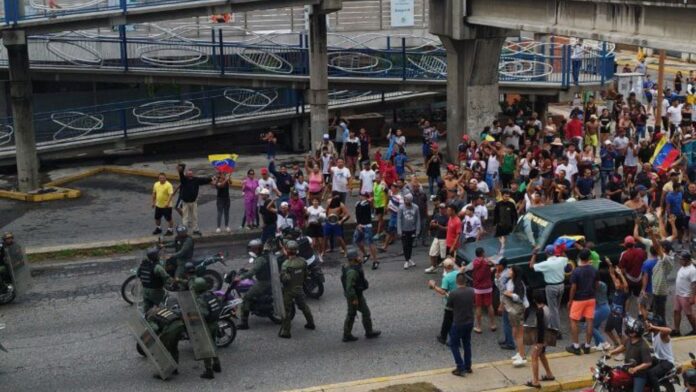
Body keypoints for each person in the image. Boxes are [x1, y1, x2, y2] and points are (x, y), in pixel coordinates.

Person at [341, 248, 381, 342]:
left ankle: (369, 331)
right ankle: (347, 335)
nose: (359, 257)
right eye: (357, 256)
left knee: (366, 312)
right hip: (353, 296)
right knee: (351, 314)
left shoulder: (354, 266)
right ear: (353, 259)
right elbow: (349, 288)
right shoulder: (352, 272)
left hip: (357, 294)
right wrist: (354, 299)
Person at [529, 245, 568, 339]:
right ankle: (552, 326)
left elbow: (531, 266)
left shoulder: (545, 264)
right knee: (556, 308)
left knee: (553, 310)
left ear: (546, 253)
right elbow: (566, 258)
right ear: (555, 252)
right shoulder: (562, 260)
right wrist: (562, 250)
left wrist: (534, 254)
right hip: (561, 286)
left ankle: (557, 331)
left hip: (551, 287)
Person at [278, 241, 315, 339]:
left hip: (288, 290)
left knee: (286, 310)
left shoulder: (286, 264)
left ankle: (286, 332)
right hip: (299, 288)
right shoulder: (302, 261)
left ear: (287, 250)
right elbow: (306, 274)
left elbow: (285, 279)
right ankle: (311, 323)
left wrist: (281, 275)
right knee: (304, 307)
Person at [607, 318, 653, 392]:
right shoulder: (629, 339)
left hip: (639, 374)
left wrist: (636, 368)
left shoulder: (643, 346)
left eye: (629, 329)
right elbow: (623, 347)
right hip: (627, 369)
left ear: (634, 332)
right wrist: (611, 352)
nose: (627, 330)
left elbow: (648, 363)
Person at [566, 249, 598, 355]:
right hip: (591, 298)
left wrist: (570, 300)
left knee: (574, 321)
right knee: (590, 321)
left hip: (579, 299)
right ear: (589, 258)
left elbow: (573, 287)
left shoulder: (576, 271)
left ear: (580, 258)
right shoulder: (593, 269)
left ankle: (576, 346)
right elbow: (596, 284)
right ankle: (587, 346)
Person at [191, 277, 222, 379]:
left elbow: (203, 314)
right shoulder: (211, 295)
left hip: (207, 325)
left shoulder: (201, 299)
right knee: (213, 344)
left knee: (206, 348)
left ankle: (209, 371)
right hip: (215, 323)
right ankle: (217, 364)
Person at [237, 239, 271, 330]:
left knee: (247, 297)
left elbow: (253, 271)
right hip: (265, 280)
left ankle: (244, 323)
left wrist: (240, 278)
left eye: (252, 249)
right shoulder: (262, 256)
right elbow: (255, 269)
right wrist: (245, 270)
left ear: (256, 249)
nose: (250, 250)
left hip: (264, 282)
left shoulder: (260, 259)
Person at [525, 290, 556, 389]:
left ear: (534, 300)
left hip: (541, 338)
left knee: (534, 356)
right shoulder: (546, 308)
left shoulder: (539, 312)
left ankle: (535, 381)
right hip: (547, 336)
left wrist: (538, 343)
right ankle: (549, 374)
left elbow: (540, 328)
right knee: (542, 355)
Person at [447, 272, 475, 377]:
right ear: (465, 281)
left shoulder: (454, 293)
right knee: (467, 344)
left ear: (456, 281)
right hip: (469, 321)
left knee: (453, 344)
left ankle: (460, 366)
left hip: (458, 322)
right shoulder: (472, 291)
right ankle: (468, 366)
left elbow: (449, 306)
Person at [464, 247, 497, 334]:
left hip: (478, 287)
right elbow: (495, 264)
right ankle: (493, 324)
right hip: (488, 286)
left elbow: (466, 269)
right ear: (483, 253)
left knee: (479, 307)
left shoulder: (474, 262)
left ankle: (479, 327)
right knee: (489, 305)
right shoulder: (487, 261)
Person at [428, 258, 459, 345]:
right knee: (456, 320)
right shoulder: (458, 273)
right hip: (459, 300)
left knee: (447, 321)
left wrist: (433, 286)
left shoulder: (446, 278)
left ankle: (444, 337)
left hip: (450, 302)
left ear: (445, 267)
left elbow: (443, 291)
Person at [503, 265, 529, 367]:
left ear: (514, 272)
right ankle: (519, 352)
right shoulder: (510, 281)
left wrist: (509, 294)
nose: (508, 271)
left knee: (519, 334)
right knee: (515, 333)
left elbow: (519, 298)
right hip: (514, 309)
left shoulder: (519, 284)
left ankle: (522, 357)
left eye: (510, 269)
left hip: (521, 309)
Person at [177, 164, 211, 236]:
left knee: (194, 216)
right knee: (185, 217)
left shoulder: (196, 179)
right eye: (188, 174)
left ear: (192, 174)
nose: (190, 176)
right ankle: (184, 231)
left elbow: (204, 180)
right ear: (186, 175)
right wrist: (181, 170)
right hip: (185, 202)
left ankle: (195, 229)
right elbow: (181, 175)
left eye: (191, 174)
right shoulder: (184, 180)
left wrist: (211, 179)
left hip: (193, 202)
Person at [137, 247, 172, 313]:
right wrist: (172, 283)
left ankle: (146, 317)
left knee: (146, 306)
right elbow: (166, 277)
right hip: (156, 291)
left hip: (145, 290)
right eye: (158, 255)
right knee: (160, 306)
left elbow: (138, 274)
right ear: (156, 257)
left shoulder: (143, 265)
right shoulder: (157, 267)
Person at [645, 315, 675, 392]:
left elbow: (669, 330)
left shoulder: (662, 335)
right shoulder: (653, 334)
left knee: (651, 373)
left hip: (667, 362)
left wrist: (653, 327)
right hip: (659, 359)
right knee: (645, 364)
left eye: (649, 324)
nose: (647, 325)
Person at [672, 251, 696, 336]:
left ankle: (695, 329)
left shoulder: (692, 270)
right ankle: (676, 331)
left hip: (686, 296)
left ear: (686, 260)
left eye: (681, 259)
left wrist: (693, 297)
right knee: (676, 311)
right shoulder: (684, 266)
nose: (679, 261)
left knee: (689, 314)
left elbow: (694, 285)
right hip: (678, 294)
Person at [354, 192, 378, 270]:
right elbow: (357, 215)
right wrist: (358, 224)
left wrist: (370, 201)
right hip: (360, 225)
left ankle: (375, 261)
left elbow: (373, 207)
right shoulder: (357, 204)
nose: (361, 196)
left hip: (367, 225)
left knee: (370, 243)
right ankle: (365, 254)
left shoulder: (368, 204)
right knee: (357, 241)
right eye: (360, 195)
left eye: (362, 195)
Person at [397, 193, 420, 270]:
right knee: (405, 245)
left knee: (410, 245)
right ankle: (406, 260)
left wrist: (417, 230)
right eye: (405, 200)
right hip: (404, 230)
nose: (405, 201)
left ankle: (409, 258)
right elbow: (399, 219)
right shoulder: (401, 207)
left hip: (412, 229)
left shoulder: (416, 207)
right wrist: (399, 230)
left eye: (407, 200)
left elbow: (418, 219)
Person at [426, 203, 449, 274]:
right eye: (440, 208)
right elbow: (432, 224)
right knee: (432, 253)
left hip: (444, 238)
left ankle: (446, 270)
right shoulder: (436, 215)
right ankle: (433, 267)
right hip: (437, 237)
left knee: (443, 256)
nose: (441, 209)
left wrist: (438, 225)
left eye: (442, 208)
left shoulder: (447, 217)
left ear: (445, 209)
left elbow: (447, 229)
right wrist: (431, 223)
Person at [305, 197, 326, 262]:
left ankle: (320, 253)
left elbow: (323, 217)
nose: (315, 202)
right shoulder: (309, 208)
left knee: (320, 242)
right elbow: (306, 217)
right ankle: (314, 255)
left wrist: (321, 219)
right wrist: (306, 214)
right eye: (314, 201)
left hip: (319, 226)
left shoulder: (321, 208)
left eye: (316, 201)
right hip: (311, 226)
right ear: (312, 202)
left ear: (318, 202)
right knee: (313, 243)